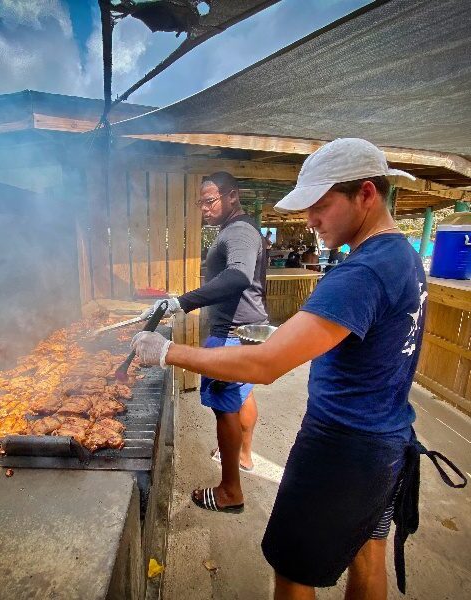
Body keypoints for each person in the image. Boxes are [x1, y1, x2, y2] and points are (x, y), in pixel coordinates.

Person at [131, 139, 461, 599]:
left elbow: (265, 365)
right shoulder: (402, 256)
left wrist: (166, 351)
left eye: (320, 206)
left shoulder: (362, 271)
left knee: (291, 570)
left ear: (366, 193)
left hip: (340, 446)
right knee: (367, 557)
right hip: (386, 438)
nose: (309, 220)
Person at [140, 171, 268, 514]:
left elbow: (239, 275)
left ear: (232, 196)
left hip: (231, 333)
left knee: (225, 408)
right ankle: (243, 455)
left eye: (209, 200)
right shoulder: (242, 229)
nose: (204, 208)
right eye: (201, 202)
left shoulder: (239, 231)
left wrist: (183, 302)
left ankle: (230, 491)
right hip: (248, 330)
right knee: (244, 394)